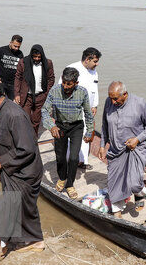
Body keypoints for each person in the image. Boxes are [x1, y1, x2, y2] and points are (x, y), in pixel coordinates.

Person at [0, 76, 45, 263]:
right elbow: (0, 138)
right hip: (14, 169)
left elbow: (26, 149)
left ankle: (1, 247)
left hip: (24, 172)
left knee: (8, 208)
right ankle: (36, 241)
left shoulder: (14, 115)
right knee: (25, 209)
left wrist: (1, 161)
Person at [98, 81, 146, 218]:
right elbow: (104, 126)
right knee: (114, 182)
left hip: (135, 149)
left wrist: (137, 139)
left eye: (116, 99)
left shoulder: (140, 103)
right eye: (111, 98)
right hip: (115, 149)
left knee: (134, 184)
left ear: (125, 94)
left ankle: (139, 192)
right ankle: (117, 211)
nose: (112, 102)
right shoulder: (109, 102)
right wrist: (102, 145)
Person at [41, 67, 94, 199]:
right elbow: (44, 111)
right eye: (64, 82)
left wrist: (90, 131)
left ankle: (70, 184)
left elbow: (88, 113)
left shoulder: (82, 92)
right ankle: (62, 178)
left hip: (76, 127)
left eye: (69, 84)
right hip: (60, 127)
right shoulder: (54, 91)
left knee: (74, 158)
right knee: (60, 156)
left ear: (76, 83)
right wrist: (51, 126)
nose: (65, 86)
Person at [63, 47, 102, 170]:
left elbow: (95, 90)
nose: (97, 64)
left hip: (88, 111)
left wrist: (94, 105)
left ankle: (82, 161)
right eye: (95, 61)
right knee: (71, 136)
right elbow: (62, 88)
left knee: (86, 135)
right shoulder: (72, 69)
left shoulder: (94, 72)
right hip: (72, 110)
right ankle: (68, 161)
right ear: (87, 59)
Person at [14, 44, 55, 135]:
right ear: (31, 55)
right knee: (25, 118)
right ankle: (25, 137)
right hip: (26, 96)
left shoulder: (48, 63)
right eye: (34, 57)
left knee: (36, 120)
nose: (36, 59)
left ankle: (33, 138)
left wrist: (47, 93)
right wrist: (17, 94)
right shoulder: (23, 62)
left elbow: (51, 79)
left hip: (41, 96)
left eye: (39, 57)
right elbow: (18, 78)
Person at [0, 35, 24, 100]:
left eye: (18, 47)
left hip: (13, 83)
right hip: (1, 81)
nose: (16, 48)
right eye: (15, 46)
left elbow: (21, 68)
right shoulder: (1, 50)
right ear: (10, 42)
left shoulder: (20, 54)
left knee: (11, 102)